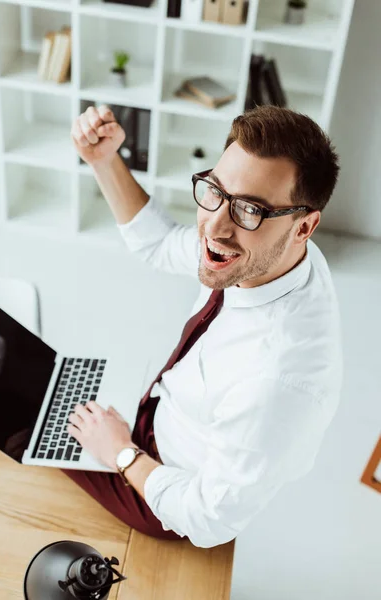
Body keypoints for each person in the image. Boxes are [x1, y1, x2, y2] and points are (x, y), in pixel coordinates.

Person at [64, 104, 343, 548]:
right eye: (215, 190)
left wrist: (120, 451)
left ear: (304, 226)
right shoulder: (271, 255)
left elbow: (208, 520)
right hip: (157, 419)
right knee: (39, 390)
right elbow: (158, 243)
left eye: (250, 209)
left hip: (164, 488)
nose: (213, 226)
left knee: (20, 424)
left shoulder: (279, 379)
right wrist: (104, 159)